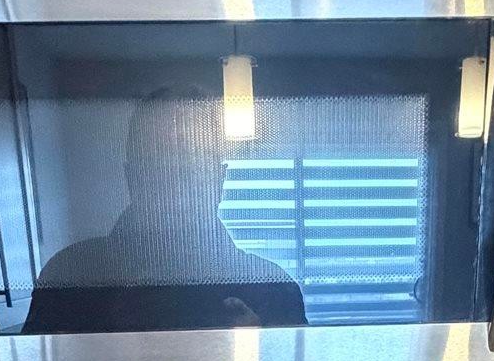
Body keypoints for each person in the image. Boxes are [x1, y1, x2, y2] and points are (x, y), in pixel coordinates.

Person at [24, 85, 308, 333]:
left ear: (218, 180)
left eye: (190, 163)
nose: (174, 180)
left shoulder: (274, 289)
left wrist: (258, 351)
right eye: (158, 163)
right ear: (132, 176)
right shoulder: (68, 278)